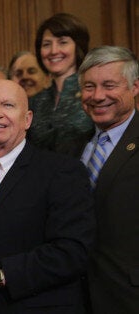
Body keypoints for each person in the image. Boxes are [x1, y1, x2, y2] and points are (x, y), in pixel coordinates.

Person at [0, 80, 95, 313]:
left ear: (27, 119)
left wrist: (0, 276)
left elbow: (73, 251)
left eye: (8, 105)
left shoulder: (61, 171)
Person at [77, 46, 139, 313]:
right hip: (79, 296)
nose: (98, 96)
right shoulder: (72, 148)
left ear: (135, 87)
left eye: (109, 85)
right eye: (89, 87)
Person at [28, 13, 94, 157]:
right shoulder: (34, 102)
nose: (53, 51)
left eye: (62, 42)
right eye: (46, 44)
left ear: (78, 46)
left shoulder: (93, 94)